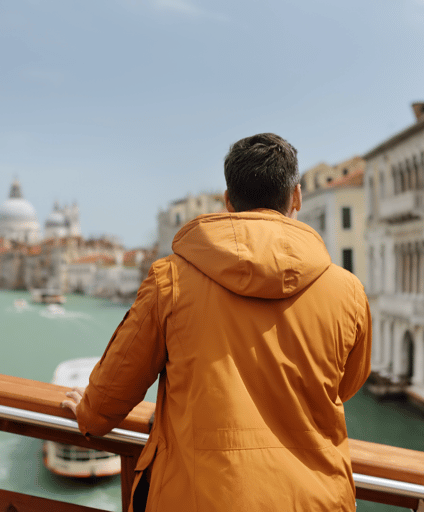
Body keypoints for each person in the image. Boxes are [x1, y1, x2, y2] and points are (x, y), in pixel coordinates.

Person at [62, 132, 371, 511]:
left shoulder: (170, 280)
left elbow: (116, 386)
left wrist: (88, 414)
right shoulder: (347, 290)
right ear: (297, 198)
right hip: (314, 500)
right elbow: (346, 383)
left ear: (228, 202)